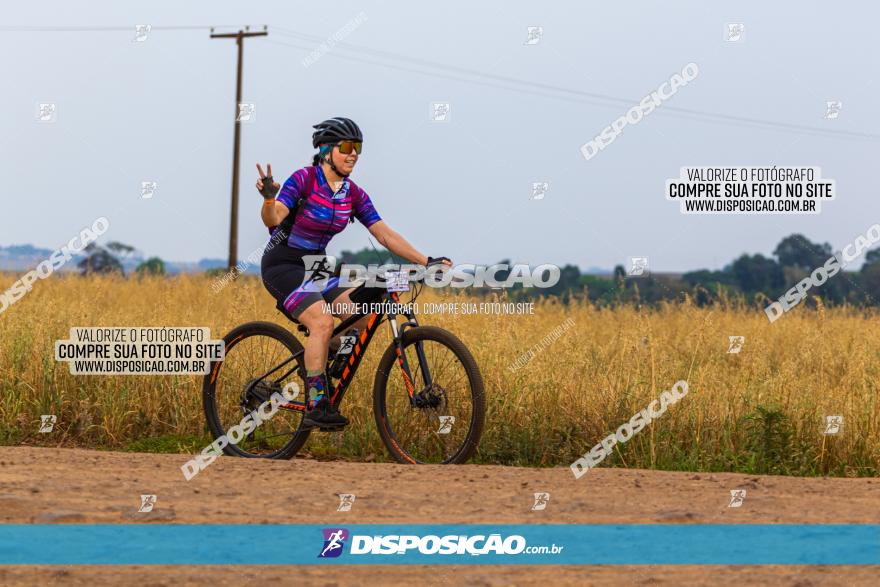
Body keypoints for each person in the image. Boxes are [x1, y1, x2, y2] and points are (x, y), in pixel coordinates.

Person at [256, 117, 451, 429]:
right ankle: (316, 402)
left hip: (317, 266)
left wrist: (425, 260)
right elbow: (275, 216)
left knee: (363, 313)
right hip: (283, 266)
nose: (353, 154)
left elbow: (384, 234)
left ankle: (318, 359)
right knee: (322, 321)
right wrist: (268, 198)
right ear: (325, 151)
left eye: (357, 148)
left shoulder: (352, 193)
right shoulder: (304, 180)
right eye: (346, 147)